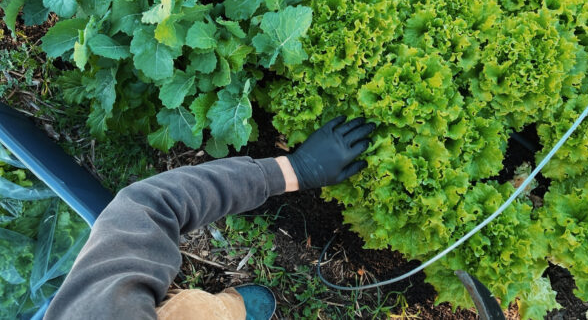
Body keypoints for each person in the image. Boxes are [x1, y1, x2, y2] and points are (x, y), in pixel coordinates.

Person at [44, 116, 375, 320]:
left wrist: (292, 171)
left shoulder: (103, 313)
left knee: (203, 311)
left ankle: (232, 308)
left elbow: (149, 208)